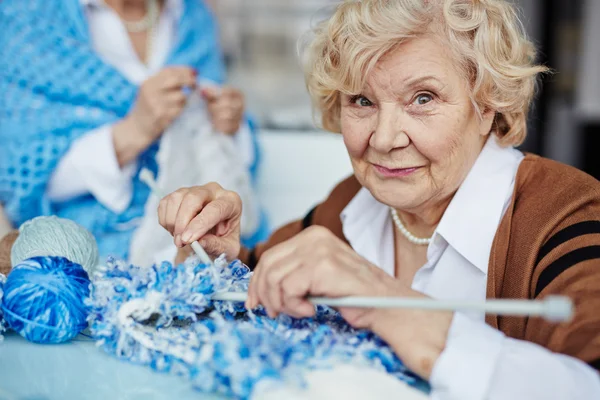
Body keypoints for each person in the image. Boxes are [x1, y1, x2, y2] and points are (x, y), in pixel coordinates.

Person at [157, 0, 600, 398]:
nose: (385, 140)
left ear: (486, 105)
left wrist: (381, 301)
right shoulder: (347, 204)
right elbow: (254, 287)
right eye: (362, 100)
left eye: (423, 98)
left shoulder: (570, 215)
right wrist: (218, 254)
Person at [0, 0, 268, 264]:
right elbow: (16, 174)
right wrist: (135, 130)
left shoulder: (193, 16)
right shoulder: (26, 15)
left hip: (201, 245)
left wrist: (229, 124)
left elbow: (224, 162)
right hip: (81, 254)